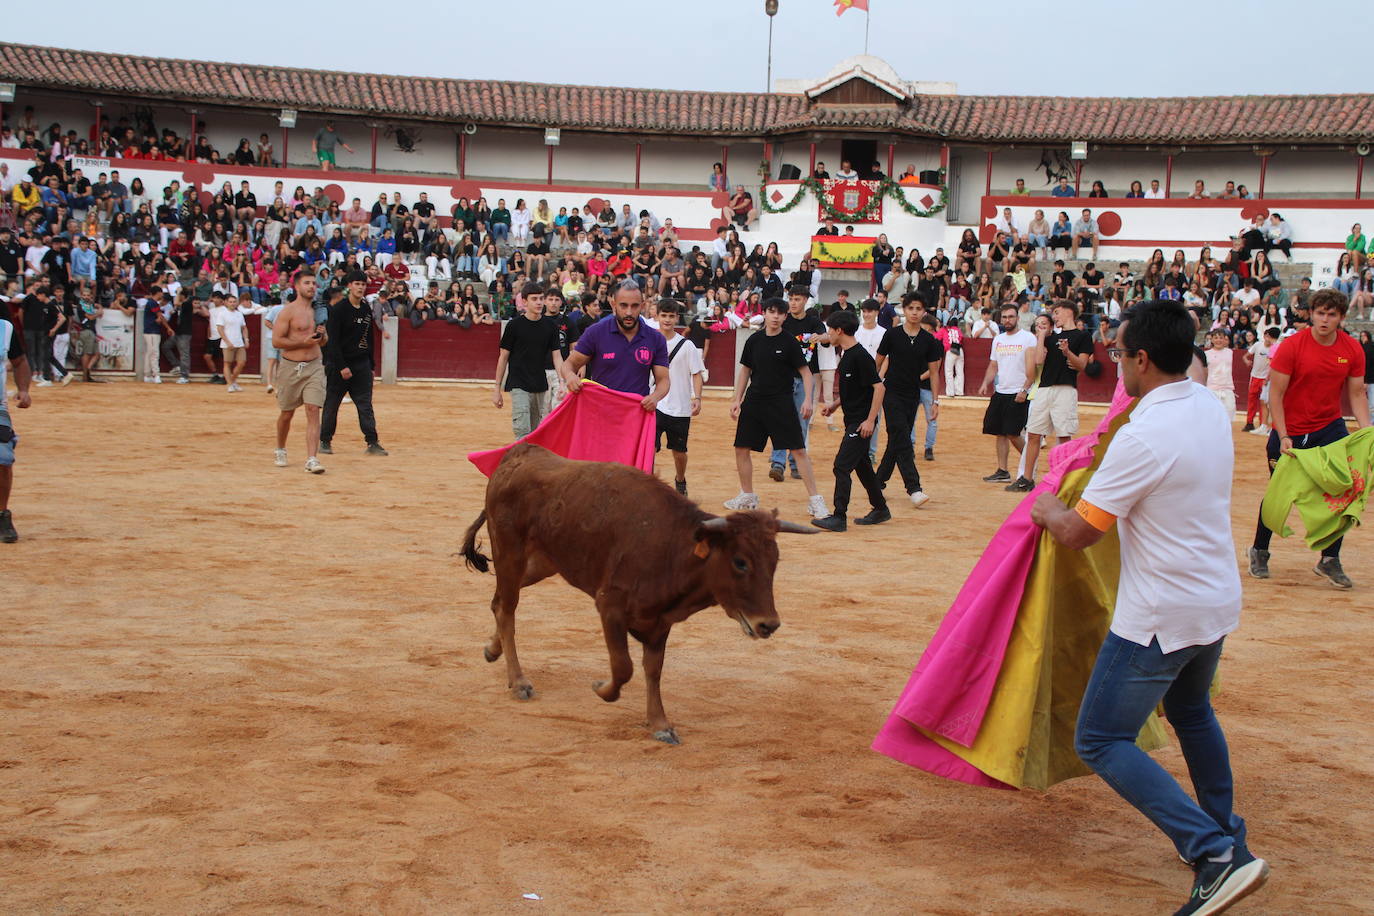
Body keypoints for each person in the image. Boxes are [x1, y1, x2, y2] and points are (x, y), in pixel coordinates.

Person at [1031, 299, 1269, 916]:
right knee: (1192, 712)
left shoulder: (1145, 434)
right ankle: (1224, 835)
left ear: (1141, 358)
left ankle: (1213, 853)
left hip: (1160, 614)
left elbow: (1084, 531)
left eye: (1118, 354)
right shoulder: (1210, 407)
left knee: (1102, 738)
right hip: (1213, 598)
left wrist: (1046, 506)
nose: (1116, 364)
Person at [1248, 289, 1369, 588]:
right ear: (1311, 314)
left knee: (1341, 491)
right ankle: (1260, 550)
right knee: (1281, 492)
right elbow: (1275, 393)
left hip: (1329, 429)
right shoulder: (1292, 347)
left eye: (1331, 314)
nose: (1324, 319)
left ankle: (1330, 559)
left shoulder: (1352, 349)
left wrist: (1368, 433)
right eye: (1320, 313)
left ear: (1341, 317)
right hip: (1290, 427)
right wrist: (1283, 432)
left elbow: (1356, 393)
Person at [724, 299, 828, 518]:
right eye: (772, 312)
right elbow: (745, 371)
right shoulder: (754, 340)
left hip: (781, 403)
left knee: (799, 450)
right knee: (741, 448)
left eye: (780, 313)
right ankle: (747, 495)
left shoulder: (790, 342)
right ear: (765, 313)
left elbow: (806, 373)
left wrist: (808, 399)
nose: (775, 317)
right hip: (754, 402)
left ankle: (815, 500)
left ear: (785, 316)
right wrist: (736, 399)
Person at [811, 310, 889, 531]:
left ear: (839, 330)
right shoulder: (847, 354)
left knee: (841, 467)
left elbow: (879, 387)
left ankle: (839, 516)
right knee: (862, 467)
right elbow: (855, 390)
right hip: (853, 420)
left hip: (860, 423)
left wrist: (870, 420)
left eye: (829, 330)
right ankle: (881, 508)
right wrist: (835, 405)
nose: (828, 334)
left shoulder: (859, 356)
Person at [1013, 299, 1094, 492]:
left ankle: (1062, 480)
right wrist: (1041, 336)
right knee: (1033, 433)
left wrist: (1067, 352)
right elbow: (1039, 361)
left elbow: (1082, 365)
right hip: (1044, 389)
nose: (1054, 316)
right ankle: (1027, 478)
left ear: (1068, 311)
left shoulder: (1082, 336)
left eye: (1056, 312)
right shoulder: (1049, 338)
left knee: (1064, 435)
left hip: (1065, 389)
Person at [874, 293, 942, 509]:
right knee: (902, 437)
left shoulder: (928, 340)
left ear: (924, 312)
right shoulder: (892, 335)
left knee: (896, 440)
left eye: (918, 308)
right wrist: (871, 388)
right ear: (904, 309)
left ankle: (876, 484)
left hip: (912, 395)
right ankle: (914, 488)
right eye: (910, 308)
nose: (914, 312)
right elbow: (878, 362)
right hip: (891, 391)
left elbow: (934, 373)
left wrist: (935, 401)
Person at [562, 278, 670, 407]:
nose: (629, 312)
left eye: (635, 306)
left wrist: (655, 397)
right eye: (623, 305)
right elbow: (569, 364)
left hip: (636, 414)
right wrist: (569, 376)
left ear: (642, 306)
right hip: (600, 413)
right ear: (614, 305)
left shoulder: (656, 338)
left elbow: (663, 379)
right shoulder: (595, 333)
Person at [321, 270, 389, 456]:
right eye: (357, 284)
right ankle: (325, 441)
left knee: (365, 405)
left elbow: (369, 337)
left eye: (363, 284)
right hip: (339, 366)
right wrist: (342, 366)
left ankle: (372, 442)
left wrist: (371, 365)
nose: (360, 287)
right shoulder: (339, 310)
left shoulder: (366, 309)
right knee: (332, 404)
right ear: (349, 286)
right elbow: (332, 341)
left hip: (361, 365)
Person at [271, 273, 328, 473]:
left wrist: (321, 336)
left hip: (314, 365)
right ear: (297, 287)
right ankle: (280, 448)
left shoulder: (319, 311)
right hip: (290, 367)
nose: (312, 286)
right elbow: (276, 341)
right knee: (286, 413)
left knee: (313, 409)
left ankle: (312, 459)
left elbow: (324, 340)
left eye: (314, 283)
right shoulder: (287, 311)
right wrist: (302, 342)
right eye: (307, 283)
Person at [769, 286, 826, 481]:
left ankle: (795, 464)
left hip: (804, 380)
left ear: (805, 301)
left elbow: (827, 338)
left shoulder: (814, 322)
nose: (793, 303)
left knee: (800, 423)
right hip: (782, 377)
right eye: (791, 299)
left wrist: (821, 337)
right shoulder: (783, 320)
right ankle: (778, 463)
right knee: (780, 420)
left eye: (797, 299)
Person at [978, 304, 1037, 483]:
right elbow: (993, 365)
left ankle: (1030, 464)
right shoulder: (998, 340)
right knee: (1000, 432)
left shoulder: (1028, 338)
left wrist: (1024, 389)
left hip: (1018, 392)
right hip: (1001, 390)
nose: (1007, 320)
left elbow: (1032, 368)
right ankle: (1002, 470)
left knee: (1013, 433)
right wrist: (985, 383)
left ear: (1017, 318)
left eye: (1011, 317)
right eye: (1004, 317)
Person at [493, 283, 560, 439]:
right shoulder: (514, 326)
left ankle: (530, 462)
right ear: (524, 302)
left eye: (541, 299)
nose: (539, 302)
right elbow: (503, 357)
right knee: (522, 429)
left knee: (535, 432)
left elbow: (557, 356)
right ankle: (523, 462)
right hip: (518, 383)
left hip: (539, 383)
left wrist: (562, 381)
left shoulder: (550, 326)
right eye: (534, 299)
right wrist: (496, 389)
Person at [651, 299, 704, 496]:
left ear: (676, 318)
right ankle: (648, 486)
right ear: (657, 316)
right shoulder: (649, 341)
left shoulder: (687, 345)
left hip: (680, 406)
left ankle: (680, 479)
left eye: (671, 316)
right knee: (649, 449)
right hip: (653, 404)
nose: (667, 319)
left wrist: (697, 397)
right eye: (663, 315)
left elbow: (696, 373)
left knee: (679, 452)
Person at [0, 305, 33, 542]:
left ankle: (2, 515)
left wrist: (23, 390)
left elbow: (19, 360)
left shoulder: (2, 320)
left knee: (3, 460)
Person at [1242, 327, 1277, 434]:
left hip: (1265, 378)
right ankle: (1249, 422)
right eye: (1266, 336)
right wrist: (1247, 361)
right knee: (1252, 400)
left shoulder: (1274, 348)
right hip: (1255, 376)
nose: (1267, 339)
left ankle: (1263, 424)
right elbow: (1245, 356)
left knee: (1264, 402)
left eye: (1269, 337)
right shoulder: (1258, 345)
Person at [216, 293, 250, 392]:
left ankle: (233, 381)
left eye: (234, 302)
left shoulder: (239, 314)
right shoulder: (222, 314)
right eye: (230, 302)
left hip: (239, 342)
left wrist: (246, 339)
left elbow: (244, 328)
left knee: (241, 363)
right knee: (227, 363)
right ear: (226, 303)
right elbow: (220, 329)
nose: (232, 303)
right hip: (228, 343)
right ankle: (230, 384)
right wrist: (227, 342)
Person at [1205, 329, 1236, 417]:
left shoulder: (1230, 352)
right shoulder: (1206, 354)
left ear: (1224, 339)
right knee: (1212, 416)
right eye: (1216, 338)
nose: (1218, 340)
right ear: (1211, 340)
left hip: (1227, 389)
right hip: (1212, 389)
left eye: (1221, 338)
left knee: (1229, 415)